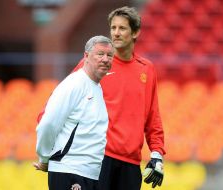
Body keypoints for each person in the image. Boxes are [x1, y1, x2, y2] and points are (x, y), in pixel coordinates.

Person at [73, 6, 165, 190]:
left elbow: (152, 116)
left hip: (130, 163)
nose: (116, 33)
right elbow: (63, 97)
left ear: (135, 32)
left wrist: (157, 153)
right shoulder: (93, 63)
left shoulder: (146, 69)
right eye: (113, 28)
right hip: (97, 157)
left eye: (122, 28)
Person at [33, 35, 114, 190]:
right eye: (100, 54)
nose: (105, 59)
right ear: (86, 56)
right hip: (70, 172)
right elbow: (48, 123)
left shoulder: (96, 87)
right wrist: (44, 157)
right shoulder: (74, 84)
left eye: (109, 55)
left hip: (89, 173)